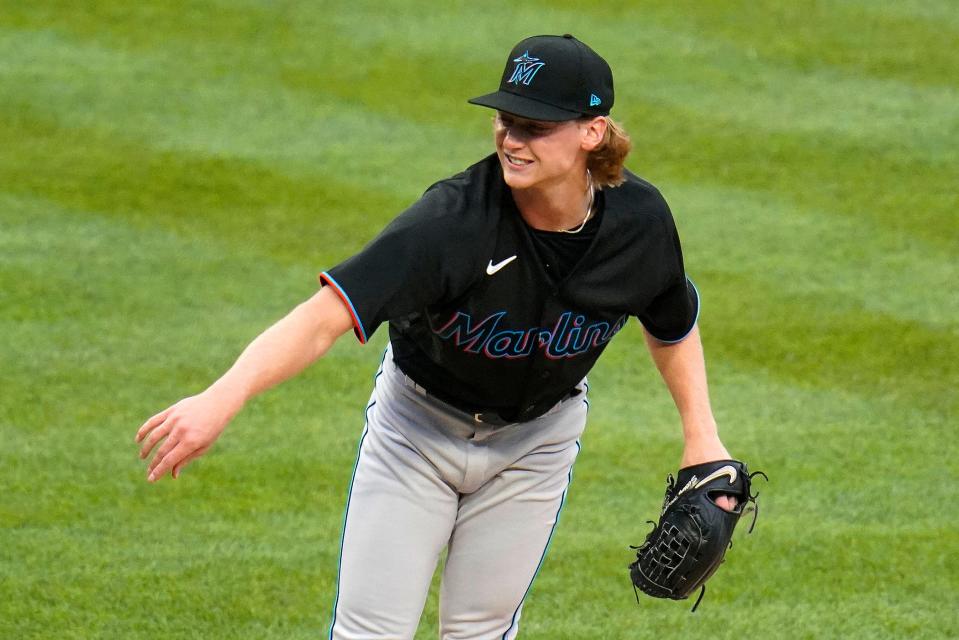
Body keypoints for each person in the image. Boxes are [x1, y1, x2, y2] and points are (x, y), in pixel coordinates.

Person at [136, 34, 736, 639]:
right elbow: (325, 316)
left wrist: (701, 438)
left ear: (593, 132)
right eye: (506, 120)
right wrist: (223, 397)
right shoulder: (451, 223)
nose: (512, 139)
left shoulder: (641, 225)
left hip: (535, 446)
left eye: (536, 126)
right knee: (371, 632)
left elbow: (671, 322)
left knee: (481, 630)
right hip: (416, 434)